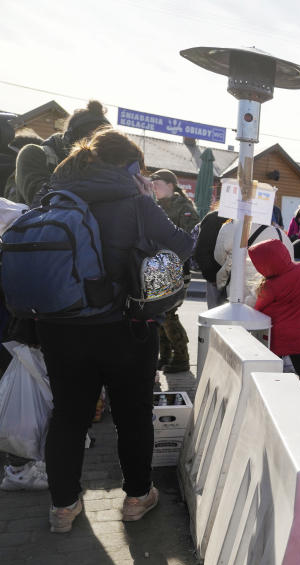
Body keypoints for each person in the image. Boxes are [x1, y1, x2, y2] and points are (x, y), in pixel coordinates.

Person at [37, 128, 193, 533]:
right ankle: (138, 498)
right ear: (129, 167)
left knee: (69, 415)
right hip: (125, 327)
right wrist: (146, 199)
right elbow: (181, 246)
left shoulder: (55, 195)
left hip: (60, 327)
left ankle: (63, 508)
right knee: (132, 415)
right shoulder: (136, 202)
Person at [249, 239, 300, 403]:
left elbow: (258, 309)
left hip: (279, 335)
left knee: (272, 369)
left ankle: (274, 402)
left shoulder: (270, 286)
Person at [15, 100, 110, 206]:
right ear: (70, 137)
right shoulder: (33, 153)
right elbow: (40, 200)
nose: (96, 151)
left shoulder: (101, 167)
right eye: (90, 141)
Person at [150, 169, 199, 373]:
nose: (154, 187)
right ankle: (166, 355)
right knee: (159, 314)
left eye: (158, 183)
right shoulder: (154, 206)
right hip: (157, 268)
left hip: (177, 269)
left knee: (168, 314)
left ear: (171, 185)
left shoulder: (185, 209)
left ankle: (181, 358)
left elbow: (190, 240)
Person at [214, 218, 295, 307]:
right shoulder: (280, 234)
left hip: (235, 293)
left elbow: (219, 258)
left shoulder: (230, 228)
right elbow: (290, 263)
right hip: (269, 296)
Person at [193, 207, 229, 309]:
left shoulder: (214, 218)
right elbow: (201, 252)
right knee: (216, 318)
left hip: (217, 279)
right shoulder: (214, 218)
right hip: (216, 281)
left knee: (216, 319)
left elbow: (201, 252)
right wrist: (212, 277)